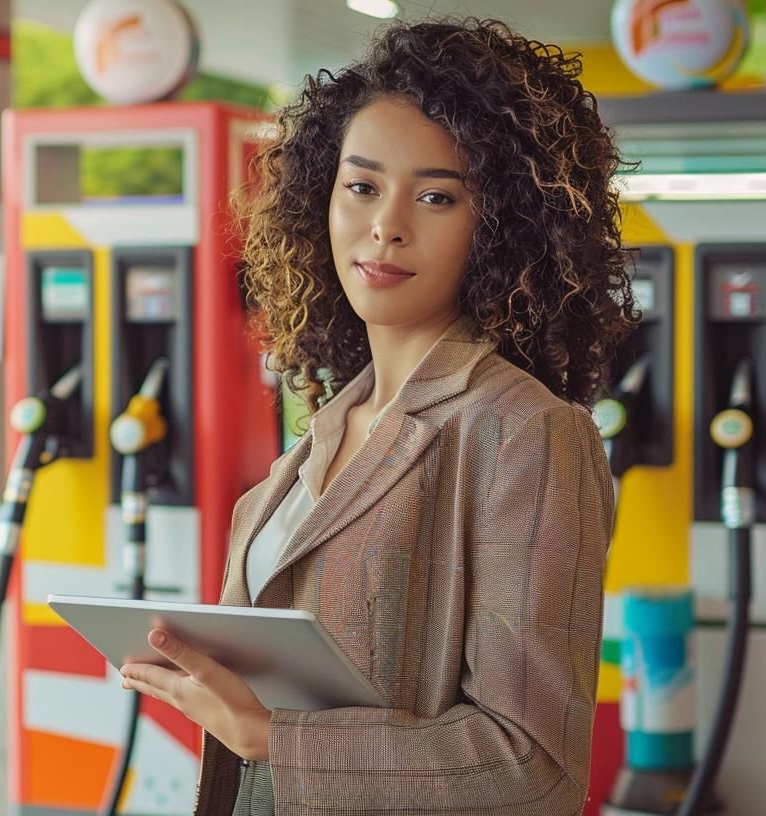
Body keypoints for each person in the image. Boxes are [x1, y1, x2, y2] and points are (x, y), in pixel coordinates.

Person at [117, 18, 636, 815]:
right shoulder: (327, 426)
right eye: (362, 186)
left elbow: (535, 768)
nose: (386, 224)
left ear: (502, 227)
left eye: (435, 196)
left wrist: (272, 738)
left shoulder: (526, 433)